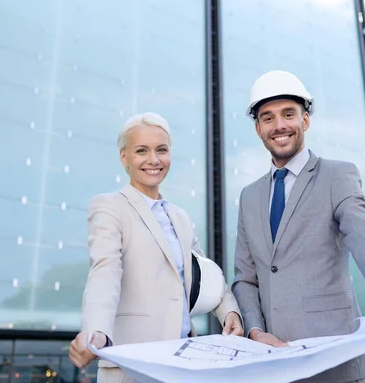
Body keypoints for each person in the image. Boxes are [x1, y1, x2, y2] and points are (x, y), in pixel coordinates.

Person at [232, 71, 365, 383]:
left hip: (335, 362)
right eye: (268, 118)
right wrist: (254, 330)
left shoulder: (337, 176)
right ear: (258, 128)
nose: (279, 126)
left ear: (305, 121)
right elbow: (245, 279)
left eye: (288, 114)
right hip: (272, 365)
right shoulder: (249, 197)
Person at [69, 112, 243, 383]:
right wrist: (96, 330)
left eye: (161, 150)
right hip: (133, 367)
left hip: (183, 364)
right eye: (142, 151)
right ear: (124, 157)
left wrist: (229, 312)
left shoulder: (180, 217)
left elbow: (207, 276)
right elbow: (105, 272)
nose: (153, 160)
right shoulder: (110, 206)